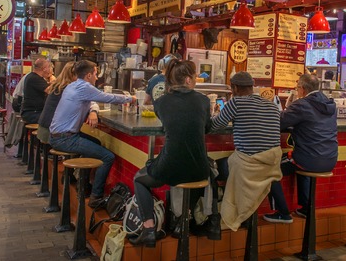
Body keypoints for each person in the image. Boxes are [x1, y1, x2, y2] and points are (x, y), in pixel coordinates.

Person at [130, 59, 211, 247]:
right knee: (197, 178)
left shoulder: (161, 102)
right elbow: (207, 127)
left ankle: (149, 228)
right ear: (189, 80)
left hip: (170, 166)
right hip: (200, 169)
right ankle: (182, 223)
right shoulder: (204, 100)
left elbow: (169, 122)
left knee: (139, 179)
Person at [49, 60, 134, 208]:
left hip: (59, 135)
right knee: (108, 157)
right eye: (95, 74)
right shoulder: (84, 87)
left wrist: (93, 111)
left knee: (97, 144)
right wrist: (131, 98)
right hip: (65, 138)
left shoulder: (73, 85)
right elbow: (108, 97)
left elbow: (93, 101)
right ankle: (96, 197)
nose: (97, 77)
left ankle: (84, 185)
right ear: (88, 75)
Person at [211, 72, 282, 231]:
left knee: (214, 169)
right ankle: (246, 215)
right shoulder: (272, 105)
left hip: (249, 167)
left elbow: (215, 126)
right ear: (252, 87)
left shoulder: (235, 103)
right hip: (271, 167)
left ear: (235, 88)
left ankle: (220, 218)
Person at [264, 74, 338, 224]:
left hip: (309, 159)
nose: (297, 90)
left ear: (303, 89)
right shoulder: (331, 105)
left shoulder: (302, 105)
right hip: (330, 159)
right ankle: (305, 207)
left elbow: (278, 123)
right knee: (300, 161)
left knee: (269, 169)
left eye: (297, 87)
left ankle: (282, 213)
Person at [20, 58, 52, 124]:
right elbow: (50, 91)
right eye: (49, 67)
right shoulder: (35, 78)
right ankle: (43, 134)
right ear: (44, 69)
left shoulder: (32, 76)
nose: (50, 70)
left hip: (33, 112)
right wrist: (56, 81)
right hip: (32, 113)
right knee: (53, 119)